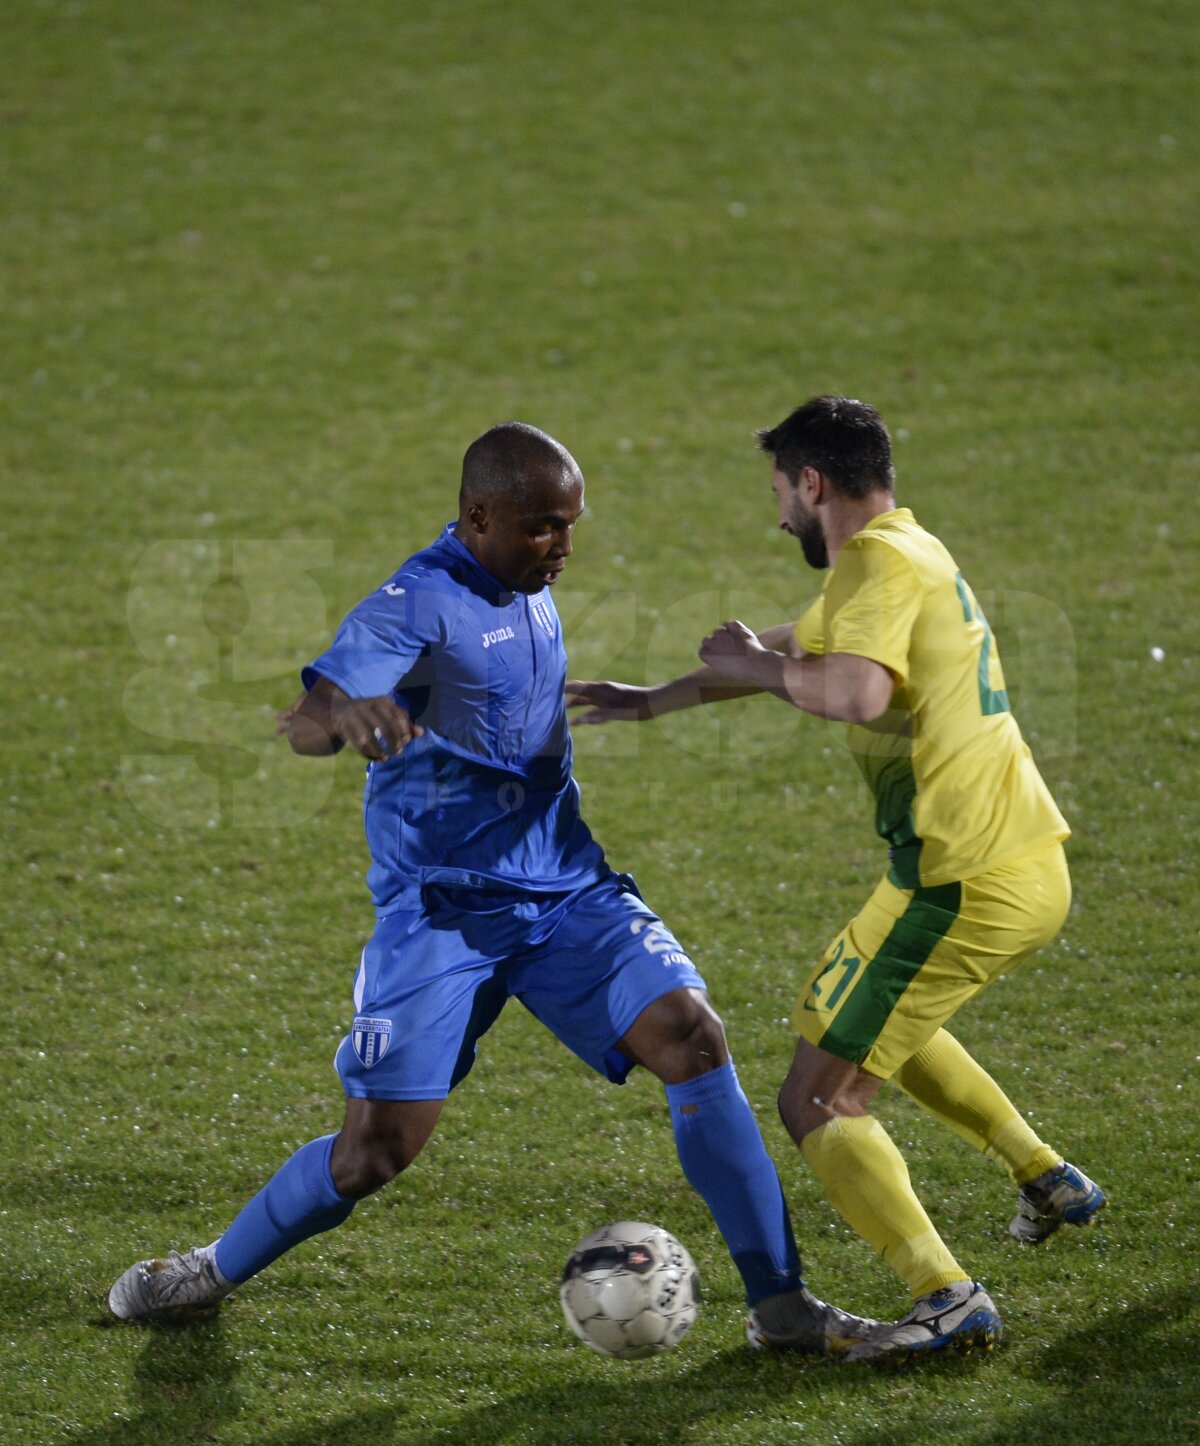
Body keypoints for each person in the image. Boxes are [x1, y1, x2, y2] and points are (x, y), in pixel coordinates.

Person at [107, 420, 887, 1357]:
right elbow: (310, 719)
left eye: (570, 528)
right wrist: (344, 714)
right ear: (478, 516)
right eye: (543, 529)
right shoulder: (417, 600)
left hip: (566, 891)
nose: (562, 549)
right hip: (444, 917)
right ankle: (209, 1270)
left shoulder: (522, 580)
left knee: (692, 1035)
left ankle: (783, 1309)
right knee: (372, 1156)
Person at [567, 396, 1105, 1367]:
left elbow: (849, 687)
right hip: (1014, 863)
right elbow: (792, 648)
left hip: (960, 880)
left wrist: (754, 671)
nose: (777, 517)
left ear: (812, 484)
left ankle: (945, 1298)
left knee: (816, 1096)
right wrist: (663, 698)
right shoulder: (912, 552)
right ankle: (1045, 1175)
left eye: (779, 494)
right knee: (871, 1016)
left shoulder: (877, 563)